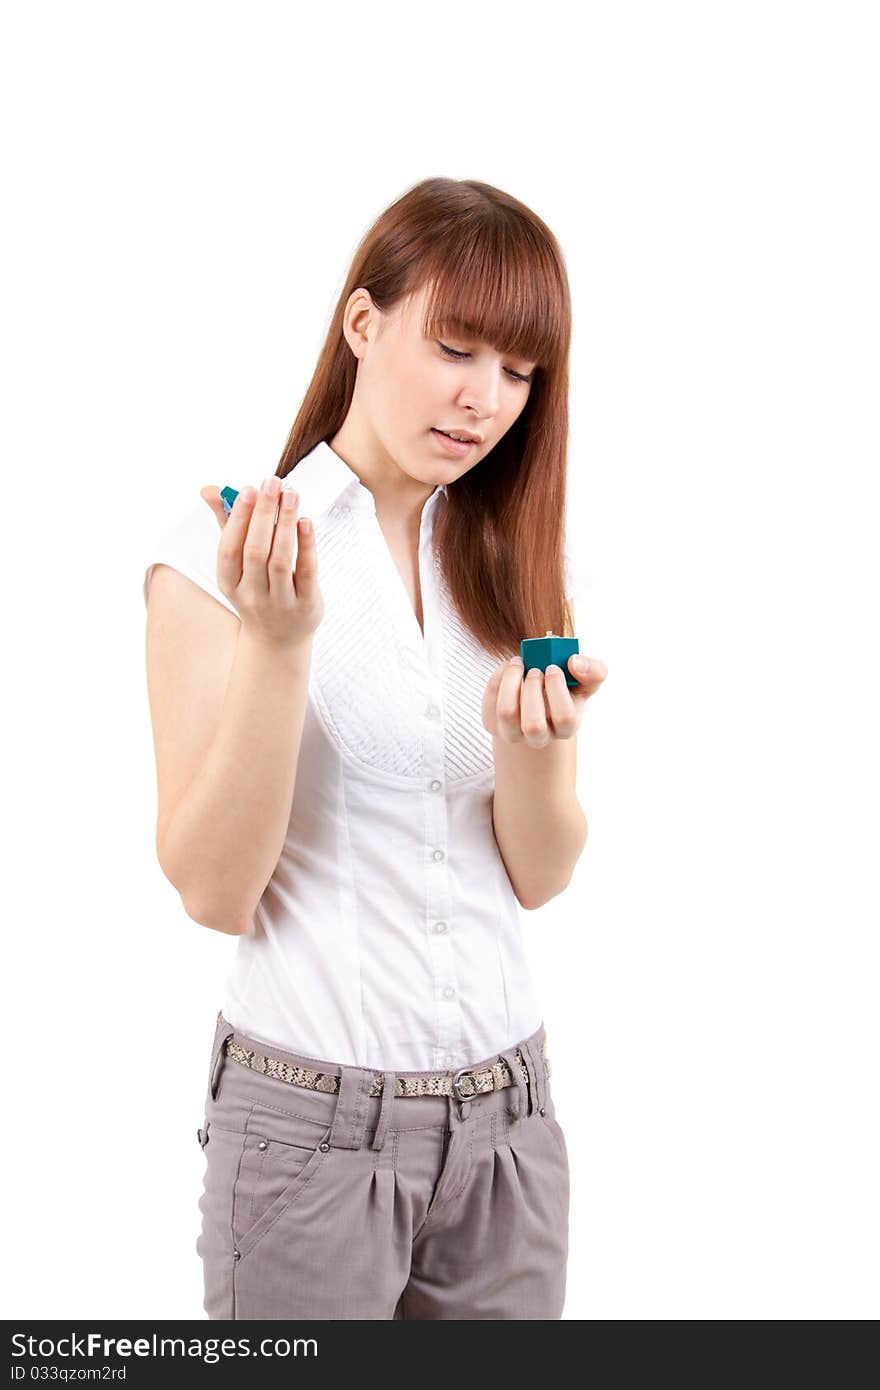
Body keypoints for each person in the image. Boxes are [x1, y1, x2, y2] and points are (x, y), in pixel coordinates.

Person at [143, 175, 606, 1320]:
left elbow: (539, 877)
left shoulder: (513, 560)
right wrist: (279, 643)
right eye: (455, 348)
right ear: (362, 325)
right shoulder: (224, 550)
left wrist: (532, 746)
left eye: (518, 372)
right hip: (310, 1141)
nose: (483, 399)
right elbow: (212, 887)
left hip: (510, 1131)